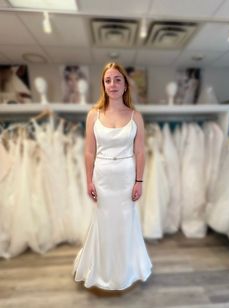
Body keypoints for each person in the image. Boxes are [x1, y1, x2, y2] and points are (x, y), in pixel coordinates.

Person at [72, 62, 152, 291]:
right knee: (104, 222)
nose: (113, 84)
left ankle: (126, 269)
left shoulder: (136, 116)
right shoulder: (93, 115)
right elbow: (89, 151)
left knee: (126, 222)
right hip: (103, 178)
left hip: (126, 178)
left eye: (118, 79)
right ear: (103, 85)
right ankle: (103, 270)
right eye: (108, 80)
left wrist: (139, 180)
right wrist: (89, 180)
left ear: (125, 84)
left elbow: (139, 151)